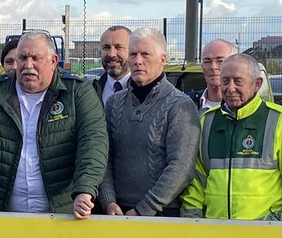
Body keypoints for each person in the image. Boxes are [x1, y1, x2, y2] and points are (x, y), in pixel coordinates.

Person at [0, 31, 107, 218]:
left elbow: (93, 143)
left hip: (61, 216)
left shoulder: (78, 92)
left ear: (53, 61)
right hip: (0, 216)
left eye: (36, 58)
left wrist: (85, 189)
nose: (28, 65)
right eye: (23, 58)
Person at [180, 53, 282, 221]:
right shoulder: (207, 121)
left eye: (238, 81)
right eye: (225, 81)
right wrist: (192, 220)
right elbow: (196, 181)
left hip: (265, 235)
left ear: (257, 84)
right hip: (215, 233)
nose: (230, 88)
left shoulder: (281, 120)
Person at [98, 28, 198, 217]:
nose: (138, 61)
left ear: (162, 59)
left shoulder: (180, 106)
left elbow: (181, 167)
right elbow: (104, 157)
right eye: (133, 54)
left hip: (162, 214)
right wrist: (108, 202)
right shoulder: (113, 103)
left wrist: (143, 210)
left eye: (145, 54)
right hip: (116, 212)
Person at [193, 39, 239, 110]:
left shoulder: (245, 106)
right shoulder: (187, 104)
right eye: (207, 61)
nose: (213, 67)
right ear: (202, 67)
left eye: (220, 61)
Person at [94, 25, 131, 103]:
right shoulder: (90, 92)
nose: (111, 54)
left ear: (132, 50)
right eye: (106, 47)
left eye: (118, 47)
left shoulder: (147, 90)